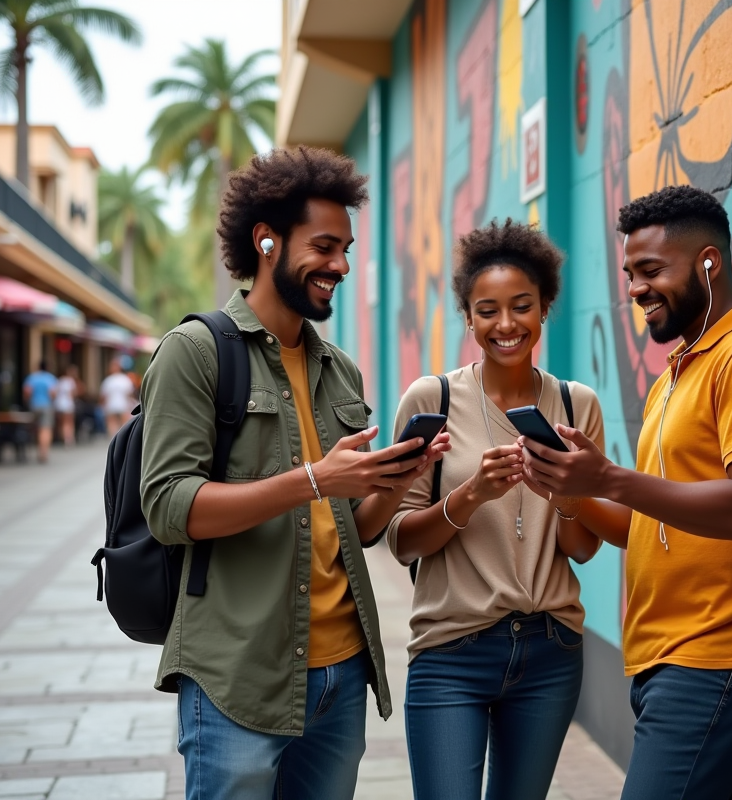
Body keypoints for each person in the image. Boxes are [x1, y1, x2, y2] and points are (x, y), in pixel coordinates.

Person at [139, 145, 449, 800]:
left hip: (340, 672)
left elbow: (354, 528)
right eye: (326, 245)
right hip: (236, 675)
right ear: (267, 239)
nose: (340, 265)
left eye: (346, 248)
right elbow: (170, 508)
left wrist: (391, 483)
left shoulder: (340, 368)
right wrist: (313, 480)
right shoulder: (194, 353)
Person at [521, 186, 732, 800]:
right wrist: (568, 491)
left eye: (652, 270)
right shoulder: (675, 378)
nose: (635, 288)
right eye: (630, 273)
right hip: (668, 656)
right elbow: (646, 524)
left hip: (719, 655)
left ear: (709, 262)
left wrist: (607, 477)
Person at [386, 219, 606, 800]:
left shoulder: (575, 405)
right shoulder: (430, 398)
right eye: (487, 310)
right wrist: (468, 497)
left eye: (521, 307)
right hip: (450, 649)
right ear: (468, 317)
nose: (505, 325)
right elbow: (402, 541)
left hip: (550, 650)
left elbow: (583, 548)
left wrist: (560, 494)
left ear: (545, 308)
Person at [22, 360, 57, 463]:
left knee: (35, 429)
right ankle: (43, 452)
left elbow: (27, 391)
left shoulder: (32, 377)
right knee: (45, 429)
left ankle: (37, 448)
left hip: (34, 405)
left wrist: (29, 400)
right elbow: (53, 393)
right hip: (46, 406)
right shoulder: (50, 378)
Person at [99, 358, 135, 437]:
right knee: (114, 423)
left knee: (122, 422)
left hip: (121, 404)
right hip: (113, 405)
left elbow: (129, 394)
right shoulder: (111, 380)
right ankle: (117, 438)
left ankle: (120, 438)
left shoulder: (120, 379)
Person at [54, 364, 79, 446]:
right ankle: (69, 439)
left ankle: (63, 438)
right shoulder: (71, 381)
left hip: (59, 404)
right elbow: (74, 393)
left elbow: (55, 393)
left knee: (62, 423)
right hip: (68, 404)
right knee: (69, 422)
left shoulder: (59, 381)